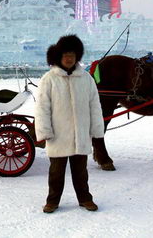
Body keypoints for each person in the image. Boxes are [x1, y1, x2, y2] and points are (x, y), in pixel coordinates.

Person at [34, 35, 105, 213]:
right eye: (65, 54)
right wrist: (44, 131)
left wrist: (96, 130)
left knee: (81, 172)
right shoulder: (49, 79)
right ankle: (52, 201)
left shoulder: (86, 78)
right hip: (58, 135)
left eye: (72, 54)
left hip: (80, 134)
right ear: (59, 56)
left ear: (77, 56)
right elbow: (42, 108)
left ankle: (85, 199)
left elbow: (94, 105)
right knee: (56, 173)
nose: (69, 58)